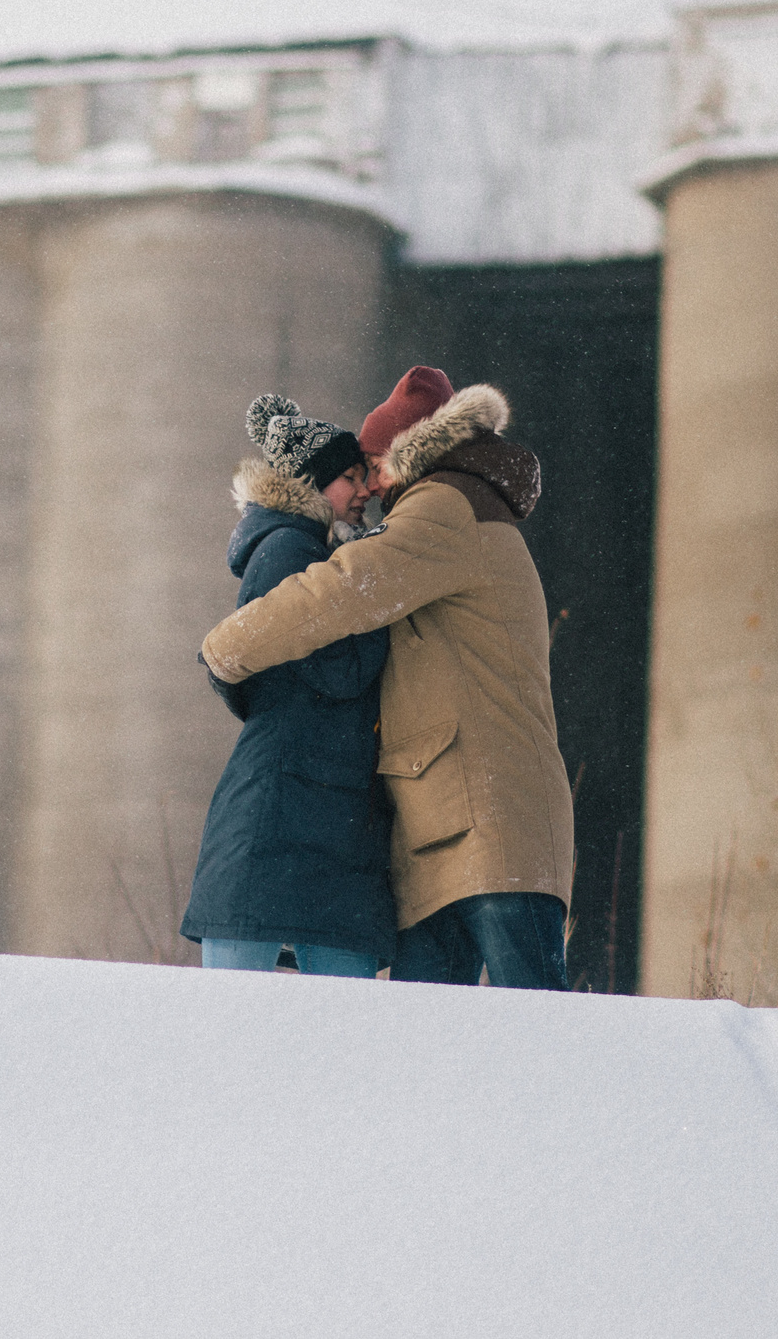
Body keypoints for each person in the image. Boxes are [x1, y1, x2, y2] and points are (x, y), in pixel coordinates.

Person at [201, 367, 573, 989]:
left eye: (372, 464)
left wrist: (224, 647)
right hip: (451, 830)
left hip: (488, 821)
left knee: (535, 1024)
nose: (371, 486)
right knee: (424, 1046)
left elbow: (347, 587)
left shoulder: (443, 507)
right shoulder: (459, 512)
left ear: (409, 452)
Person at [179, 394, 396, 978]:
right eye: (348, 478)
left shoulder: (303, 549)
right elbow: (340, 670)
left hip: (302, 808)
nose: (363, 491)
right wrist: (376, 597)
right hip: (287, 812)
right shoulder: (290, 550)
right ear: (311, 484)